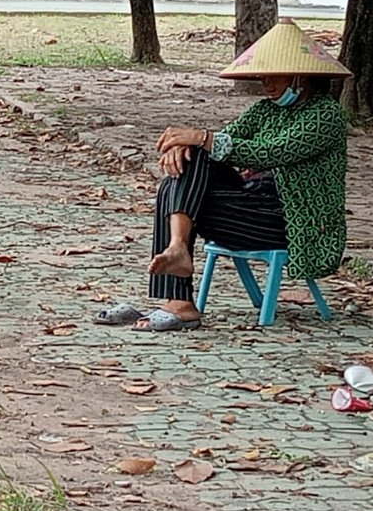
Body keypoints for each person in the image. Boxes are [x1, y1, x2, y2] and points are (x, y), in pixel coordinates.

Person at [95, 19, 351, 331]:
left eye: (276, 74)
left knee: (183, 173)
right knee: (187, 167)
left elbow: (271, 152)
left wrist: (198, 138)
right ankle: (177, 264)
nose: (267, 83)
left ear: (302, 75)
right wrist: (186, 148)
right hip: (252, 204)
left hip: (290, 221)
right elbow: (223, 142)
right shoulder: (265, 110)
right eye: (263, 75)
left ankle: (180, 296)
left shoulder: (326, 115)